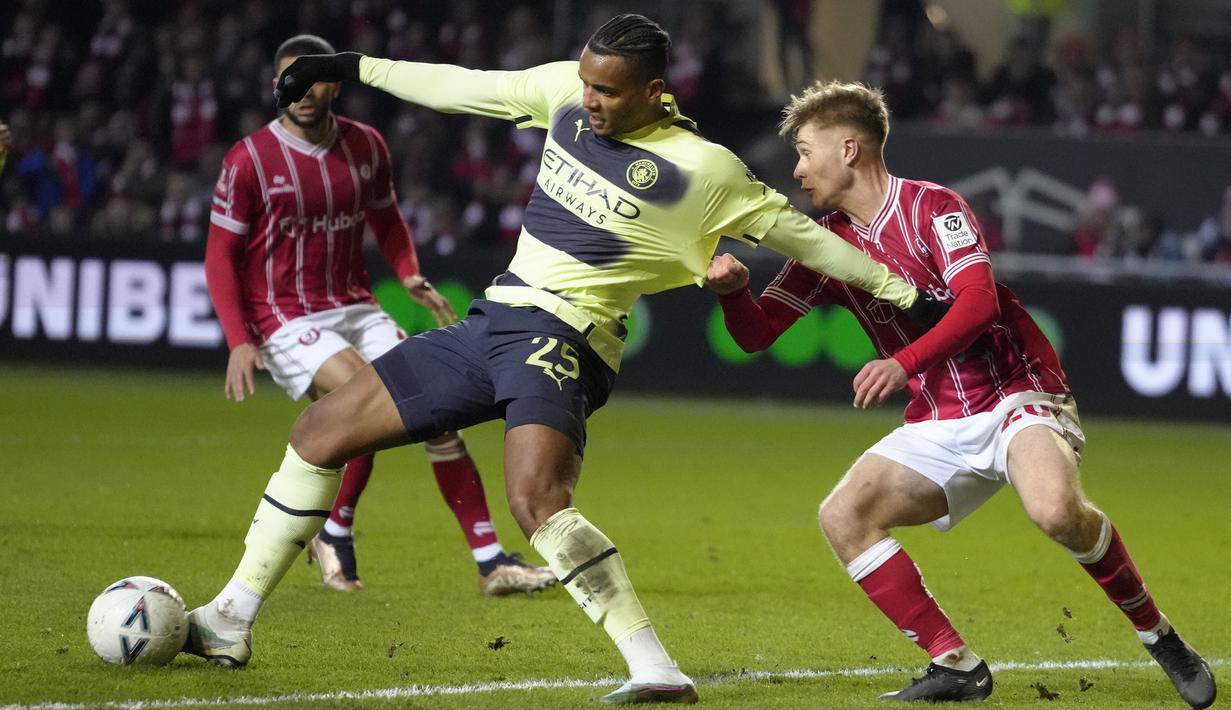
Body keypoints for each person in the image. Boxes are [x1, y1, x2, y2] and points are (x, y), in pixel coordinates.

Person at [185, 15, 942, 704]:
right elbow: (459, 87)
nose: (589, 102)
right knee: (318, 432)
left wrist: (902, 292)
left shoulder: (704, 171)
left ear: (652, 91)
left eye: (607, 91)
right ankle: (229, 616)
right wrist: (353, 64)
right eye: (583, 83)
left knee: (537, 501)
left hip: (569, 339)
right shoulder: (562, 97)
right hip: (496, 319)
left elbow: (804, 238)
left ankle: (653, 667)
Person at [705, 79, 1216, 707]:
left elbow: (976, 304)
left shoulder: (934, 208)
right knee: (844, 517)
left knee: (1056, 512)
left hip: (1015, 392)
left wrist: (903, 360)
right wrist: (732, 292)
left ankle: (1158, 635)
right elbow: (757, 334)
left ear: (848, 149)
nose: (797, 168)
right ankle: (956, 664)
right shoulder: (822, 245)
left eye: (806, 152)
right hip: (939, 416)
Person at [203, 34, 556, 598]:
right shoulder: (248, 160)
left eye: (314, 77)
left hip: (356, 304)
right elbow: (220, 255)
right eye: (290, 79)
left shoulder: (365, 146)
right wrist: (238, 338)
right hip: (284, 316)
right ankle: (334, 534)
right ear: (275, 86)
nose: (302, 91)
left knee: (438, 418)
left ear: (335, 82)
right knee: (367, 401)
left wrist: (409, 271)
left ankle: (492, 563)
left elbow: (387, 220)